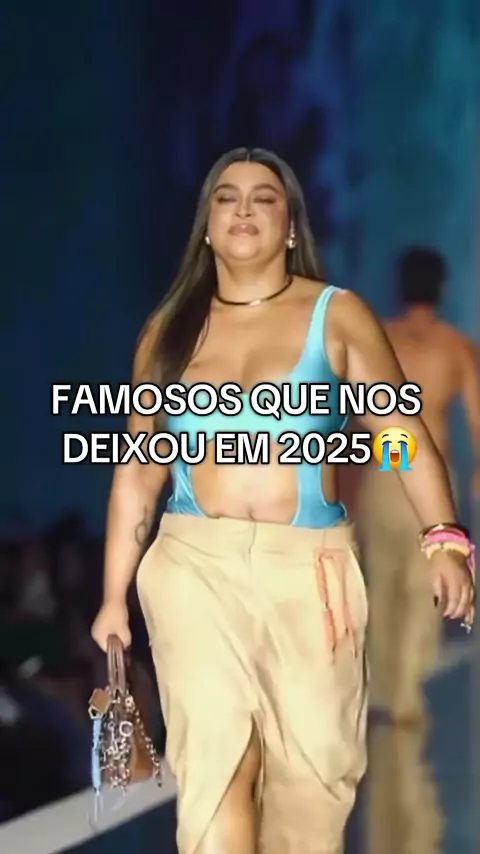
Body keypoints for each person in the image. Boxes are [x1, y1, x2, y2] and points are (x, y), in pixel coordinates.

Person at [91, 150, 475, 854]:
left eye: (263, 197)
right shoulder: (168, 331)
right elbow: (140, 470)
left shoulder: (336, 316)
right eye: (226, 197)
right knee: (217, 768)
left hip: (307, 573)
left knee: (312, 788)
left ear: (291, 224)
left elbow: (393, 433)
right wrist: (114, 596)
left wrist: (442, 534)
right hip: (193, 567)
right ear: (207, 225)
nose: (243, 209)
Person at [356, 246, 480, 725]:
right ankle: (405, 691)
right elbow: (477, 421)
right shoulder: (455, 347)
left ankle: (381, 689)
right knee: (424, 582)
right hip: (431, 476)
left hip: (385, 468)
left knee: (380, 580)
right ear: (442, 288)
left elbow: (354, 412)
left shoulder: (378, 339)